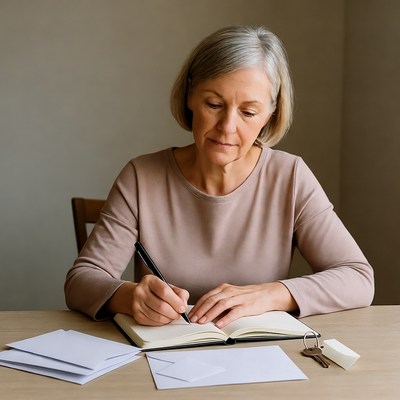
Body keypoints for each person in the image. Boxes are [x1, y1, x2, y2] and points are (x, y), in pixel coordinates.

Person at [65, 26, 374, 328]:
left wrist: (271, 294)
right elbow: (82, 280)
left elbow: (358, 278)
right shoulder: (141, 176)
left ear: (271, 113)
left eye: (249, 112)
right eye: (214, 104)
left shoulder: (290, 176)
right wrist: (129, 296)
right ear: (190, 97)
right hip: (162, 360)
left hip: (260, 360)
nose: (227, 127)